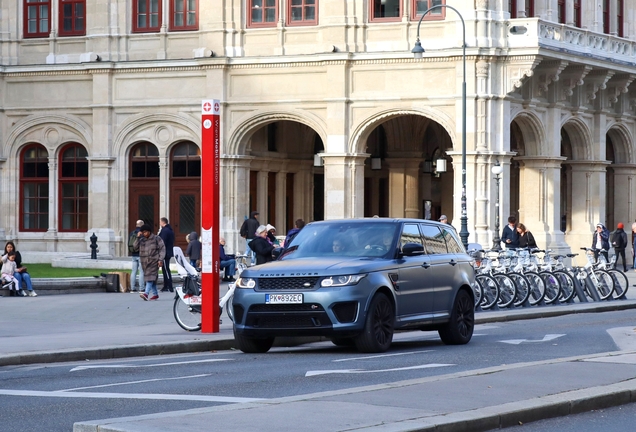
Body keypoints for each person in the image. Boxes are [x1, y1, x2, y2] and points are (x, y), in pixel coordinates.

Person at [133, 224, 165, 301]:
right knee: (151, 278)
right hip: (144, 262)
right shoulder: (141, 240)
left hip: (154, 261)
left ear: (149, 231)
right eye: (143, 232)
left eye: (145, 232)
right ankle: (155, 294)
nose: (144, 234)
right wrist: (137, 237)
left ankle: (146, 294)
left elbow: (162, 249)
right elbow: (135, 247)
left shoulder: (157, 238)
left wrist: (161, 259)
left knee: (150, 278)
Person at [158, 217, 175, 292]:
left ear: (163, 222)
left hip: (165, 252)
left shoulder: (165, 231)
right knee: (165, 269)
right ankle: (166, 285)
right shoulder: (170, 230)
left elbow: (162, 242)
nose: (159, 223)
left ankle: (169, 285)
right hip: (168, 251)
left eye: (160, 222)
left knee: (166, 269)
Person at [128, 220, 145, 293]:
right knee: (141, 271)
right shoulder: (142, 233)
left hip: (133, 254)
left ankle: (132, 288)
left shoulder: (132, 233)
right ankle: (141, 288)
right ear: (142, 225)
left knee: (134, 271)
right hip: (141, 254)